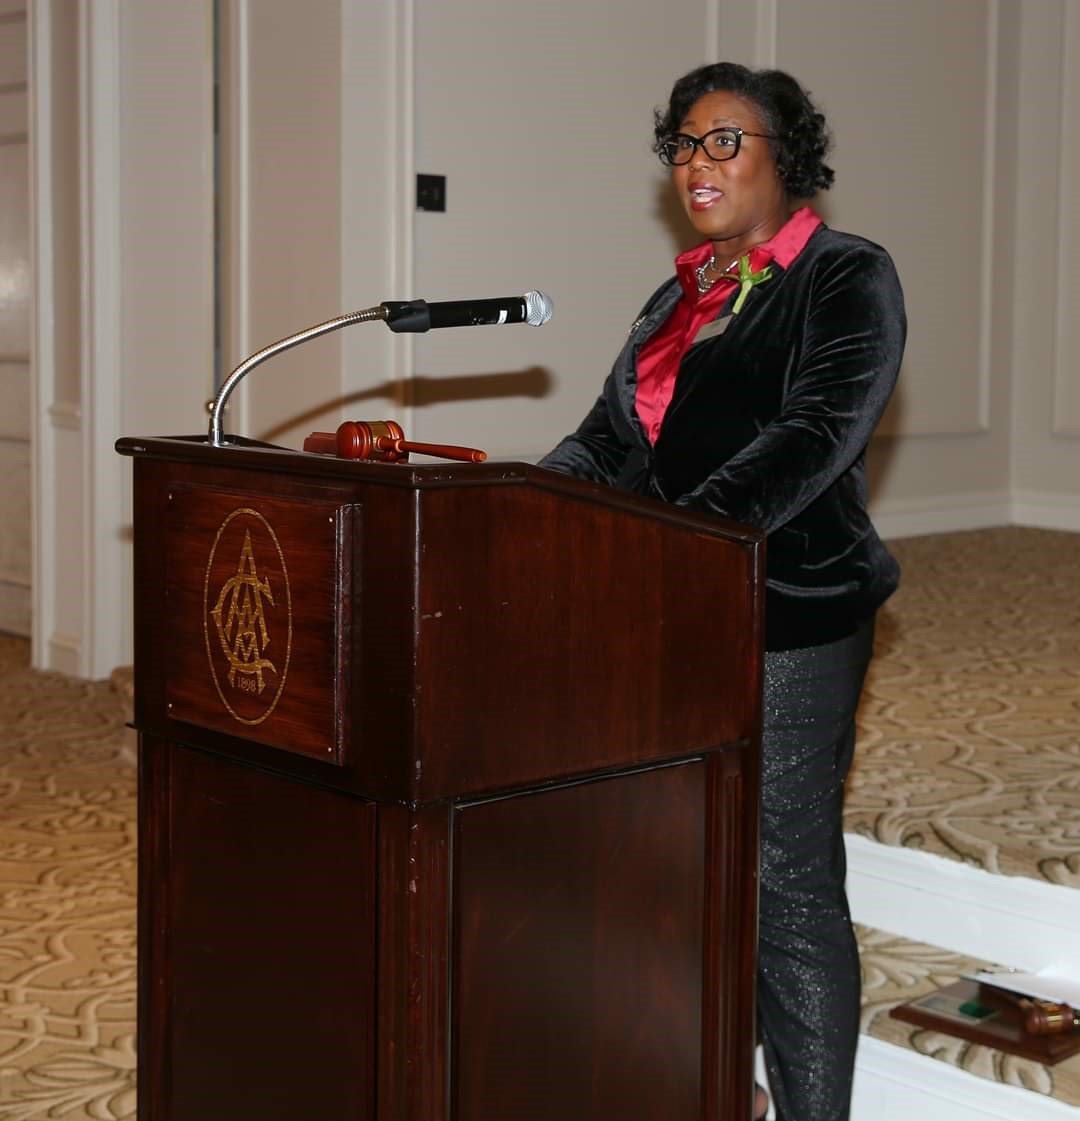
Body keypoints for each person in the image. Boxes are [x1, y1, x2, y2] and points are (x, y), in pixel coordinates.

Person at [540, 62, 906, 1121]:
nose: (696, 162)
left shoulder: (846, 276)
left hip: (788, 616)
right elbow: (609, 441)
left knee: (783, 885)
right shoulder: (679, 296)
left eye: (724, 140)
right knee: (678, 869)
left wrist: (676, 540)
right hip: (670, 611)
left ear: (786, 157)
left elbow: (812, 438)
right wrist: (519, 508)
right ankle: (715, 1086)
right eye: (684, 143)